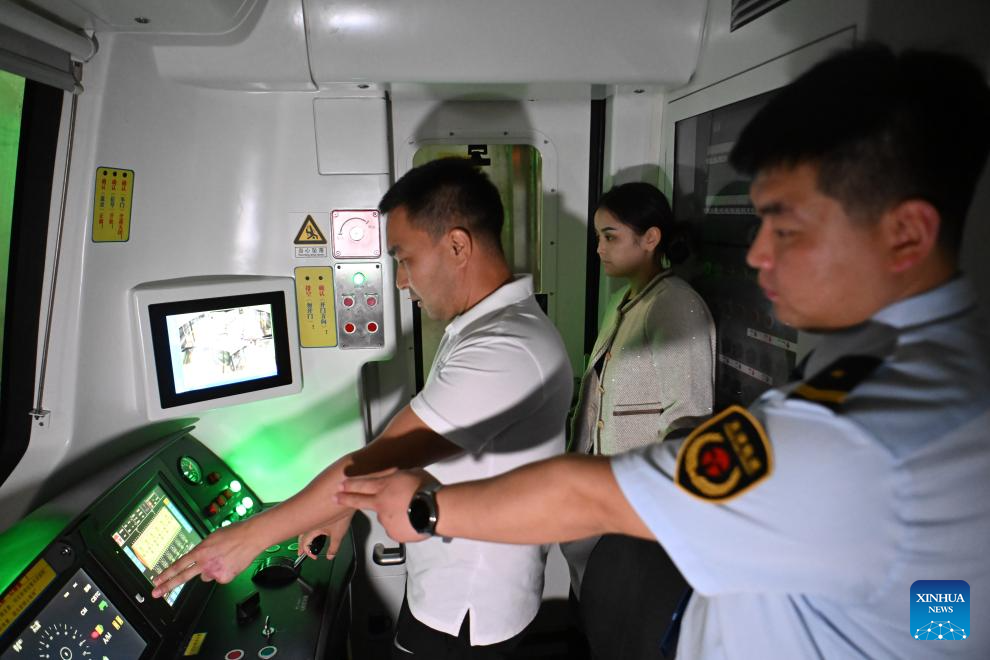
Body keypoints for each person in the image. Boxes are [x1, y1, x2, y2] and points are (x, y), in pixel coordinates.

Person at [338, 44, 990, 659]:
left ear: (906, 233)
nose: (760, 254)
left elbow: (592, 496)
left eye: (787, 227)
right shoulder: (924, 376)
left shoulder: (853, 431)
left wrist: (428, 507)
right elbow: (944, 605)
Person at [152, 157, 574, 659]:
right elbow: (417, 448)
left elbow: (379, 461)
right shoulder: (486, 330)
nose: (400, 281)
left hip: (466, 611)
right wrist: (342, 506)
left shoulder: (504, 349)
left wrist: (250, 538)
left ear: (458, 246)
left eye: (404, 258)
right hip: (455, 590)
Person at [564, 182, 715, 659]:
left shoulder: (676, 307)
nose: (599, 249)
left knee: (619, 628)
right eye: (598, 237)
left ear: (651, 238)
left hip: (637, 508)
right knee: (591, 617)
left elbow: (689, 417)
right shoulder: (625, 302)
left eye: (610, 236)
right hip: (599, 496)